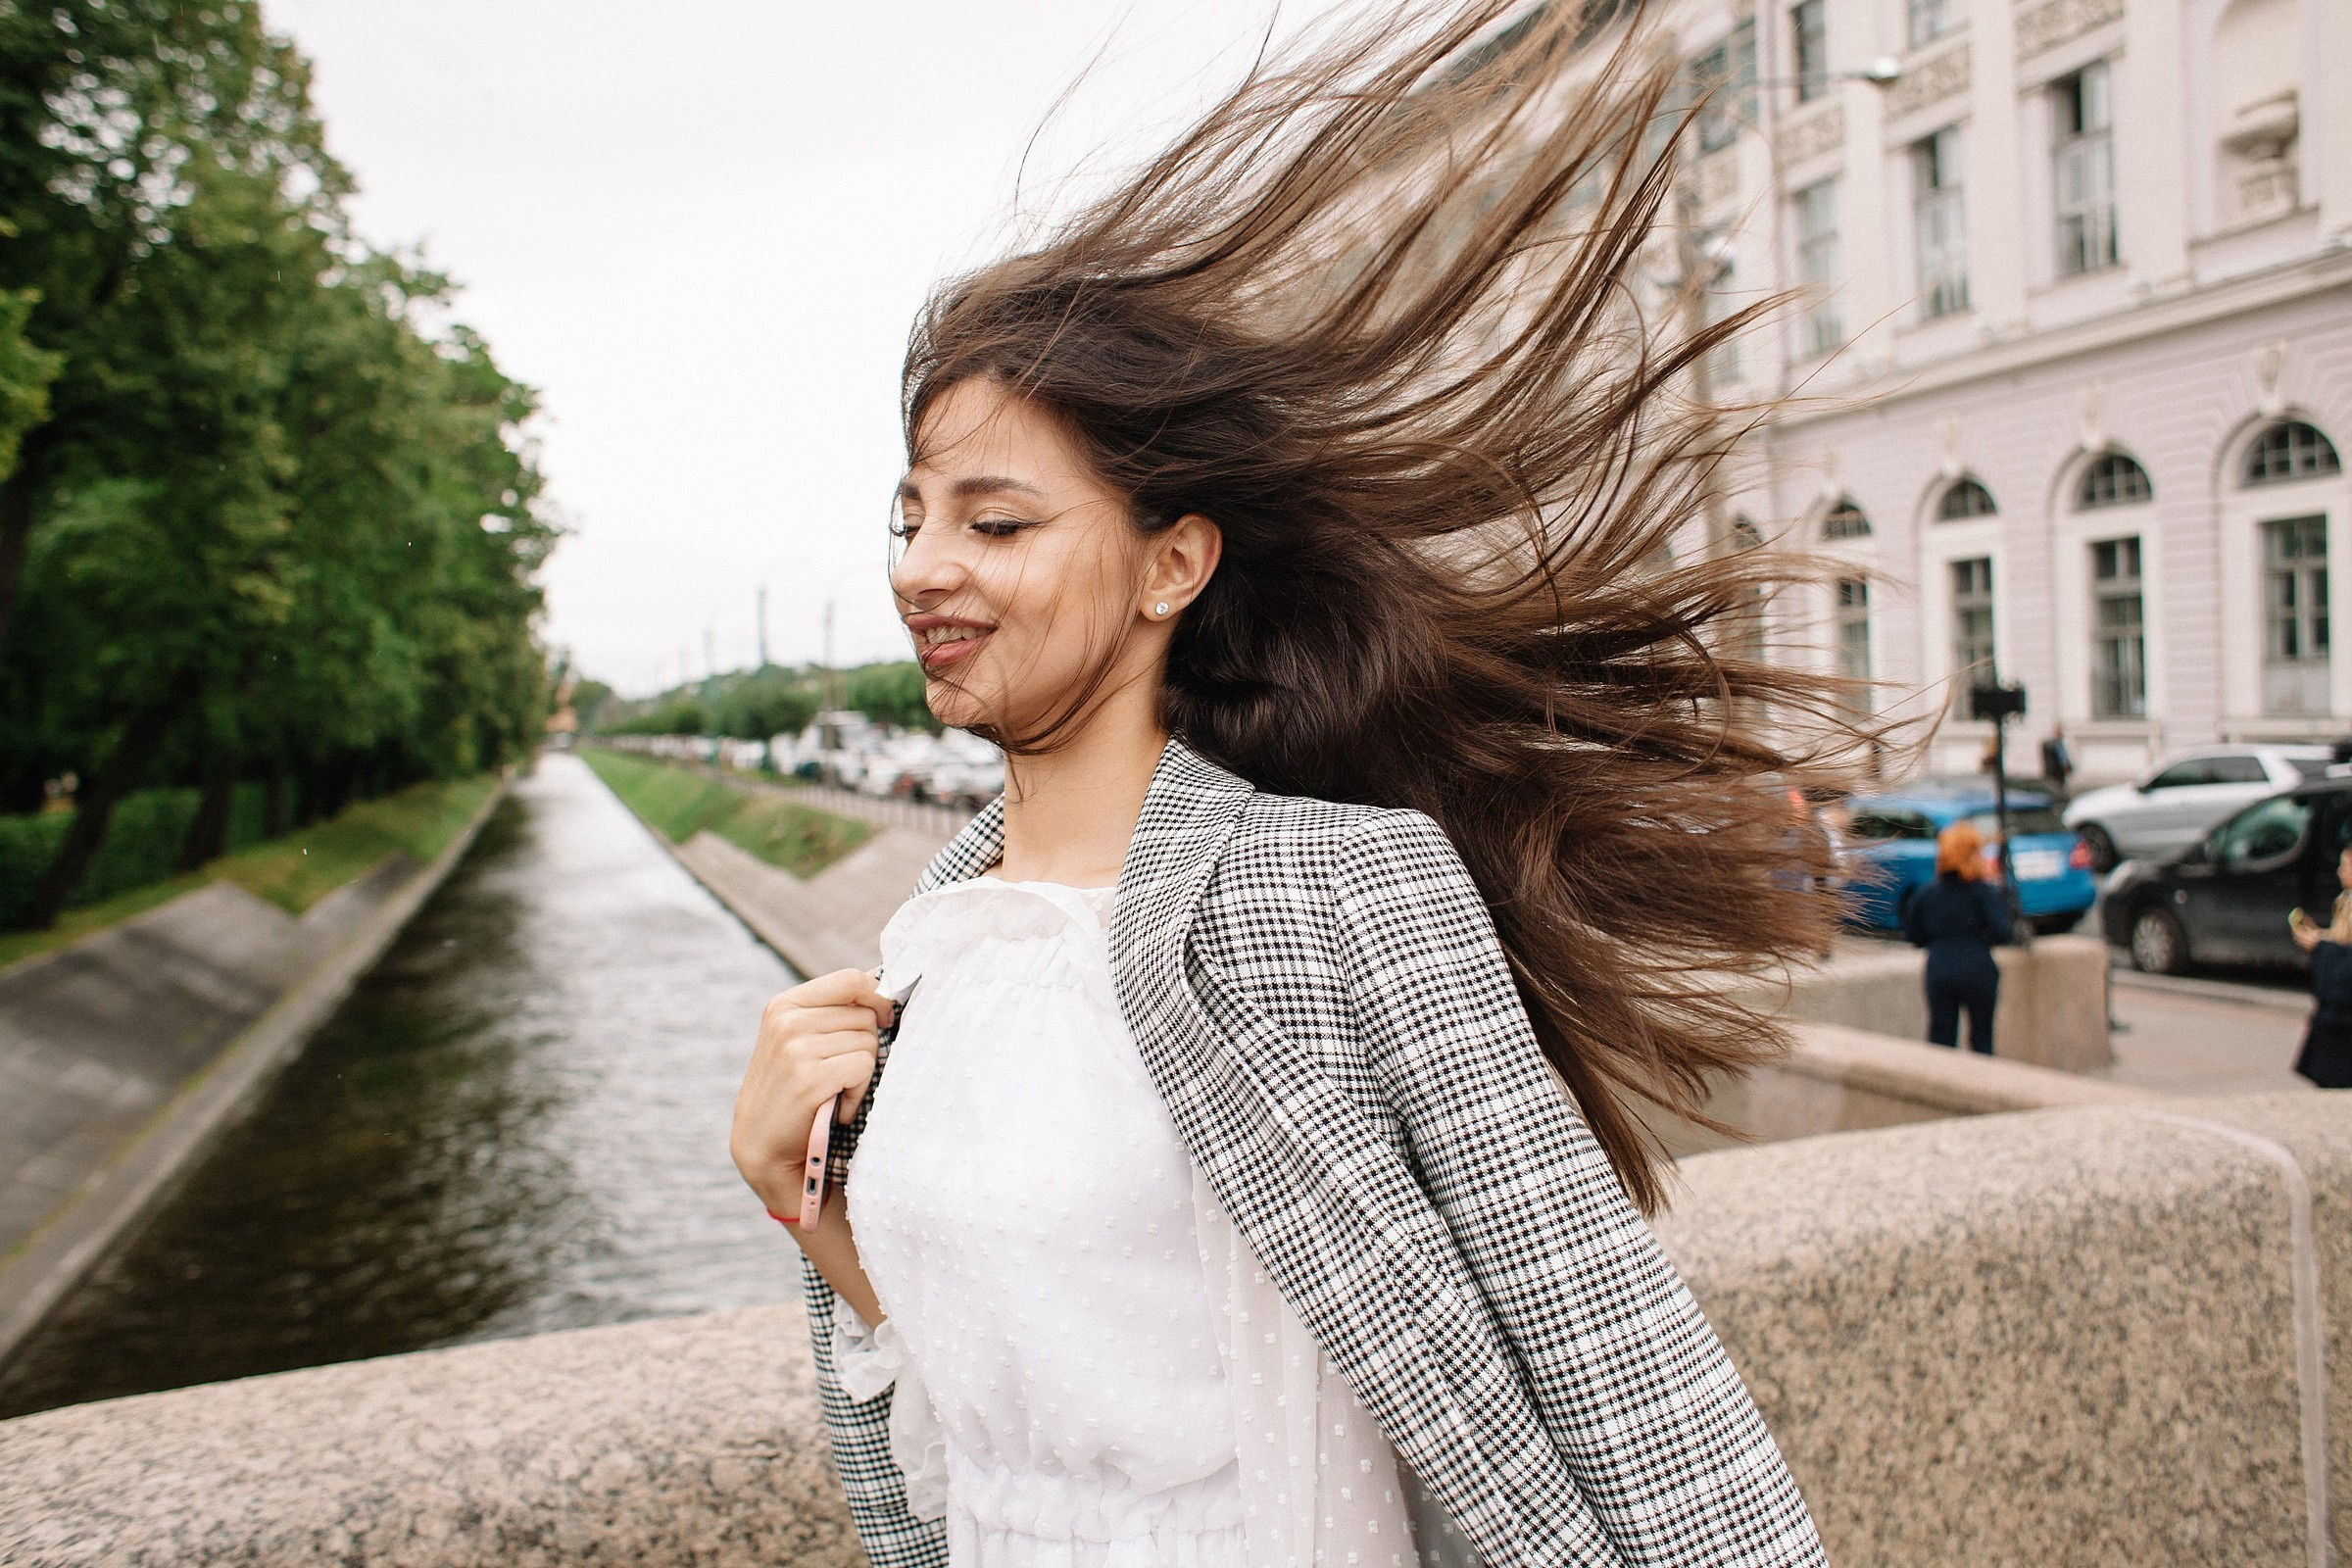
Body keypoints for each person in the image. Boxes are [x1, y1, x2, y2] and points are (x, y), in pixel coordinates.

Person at [730, 9, 1860, 1565]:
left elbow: (1612, 1354)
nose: (923, 569)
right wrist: (807, 1206)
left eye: (995, 524)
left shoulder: (1328, 886)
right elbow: (989, 1409)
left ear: (1172, 565)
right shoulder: (927, 943)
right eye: (909, 518)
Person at [1901, 822, 2011, 1054]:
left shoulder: (1927, 894)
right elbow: (2002, 933)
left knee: (1941, 1040)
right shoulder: (1983, 892)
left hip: (1940, 968)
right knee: (1982, 1039)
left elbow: (1914, 936)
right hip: (1978, 968)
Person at [2288, 849, 2352, 1089]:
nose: (2339, 872)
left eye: (2345, 866)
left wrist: (2319, 945)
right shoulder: (2344, 900)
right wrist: (2319, 937)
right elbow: (2342, 940)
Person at [2038, 724, 2073, 801]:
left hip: (2056, 772)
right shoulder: (2054, 744)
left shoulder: (2058, 744)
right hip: (2055, 772)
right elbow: (2062, 759)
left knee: (2058, 789)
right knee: (2056, 790)